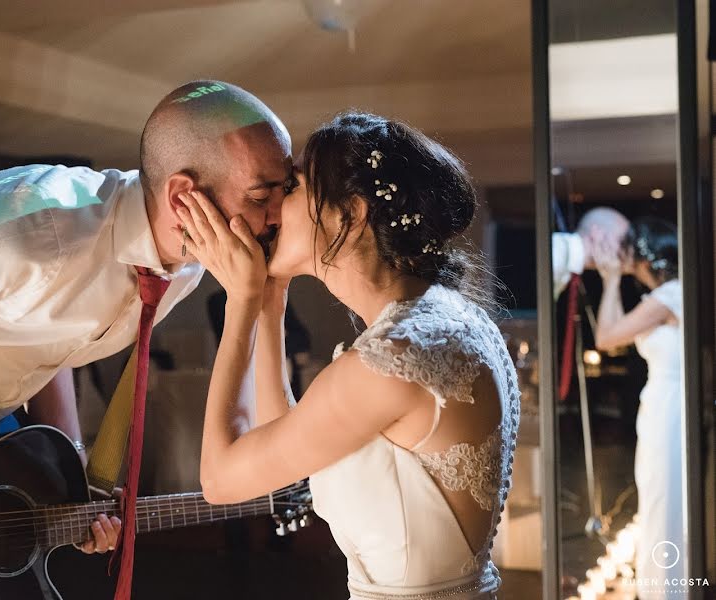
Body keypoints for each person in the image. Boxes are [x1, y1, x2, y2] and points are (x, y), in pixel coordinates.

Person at [0, 80, 293, 600]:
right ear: (183, 197)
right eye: (260, 196)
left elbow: (55, 336)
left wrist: (69, 487)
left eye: (284, 192)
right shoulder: (28, 236)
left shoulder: (185, 268)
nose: (279, 215)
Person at [177, 111, 520, 600]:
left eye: (291, 188)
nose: (272, 209)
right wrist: (271, 305)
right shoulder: (448, 320)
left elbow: (219, 479)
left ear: (350, 214)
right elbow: (289, 456)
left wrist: (240, 302)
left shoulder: (384, 364)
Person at [591, 217, 683, 599]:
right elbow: (610, 340)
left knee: (665, 496)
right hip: (661, 402)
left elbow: (605, 336)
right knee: (657, 494)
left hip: (671, 406)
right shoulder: (664, 298)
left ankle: (668, 590)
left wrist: (611, 280)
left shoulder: (671, 296)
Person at [552, 207, 630, 299]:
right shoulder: (558, 253)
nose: (626, 251)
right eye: (622, 241)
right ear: (596, 233)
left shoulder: (568, 260)